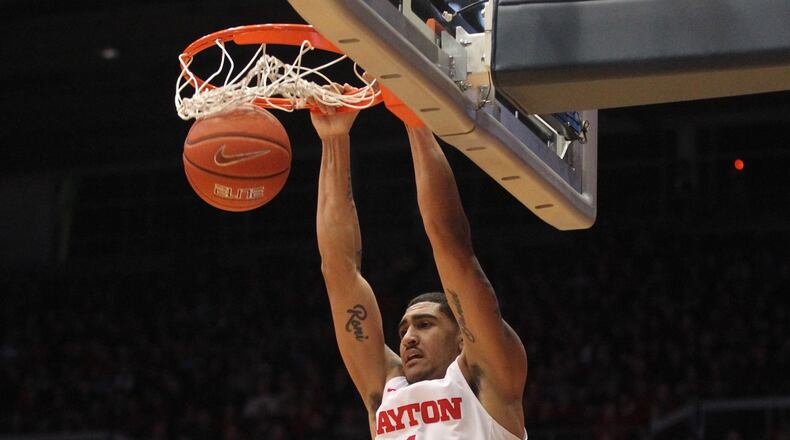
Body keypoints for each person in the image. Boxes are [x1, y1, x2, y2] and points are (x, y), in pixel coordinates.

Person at [311, 86, 527, 439]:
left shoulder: (484, 380)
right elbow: (338, 272)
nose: (408, 337)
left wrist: (413, 117)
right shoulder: (386, 389)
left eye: (425, 325)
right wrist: (334, 139)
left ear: (462, 340)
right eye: (405, 329)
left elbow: (452, 244)